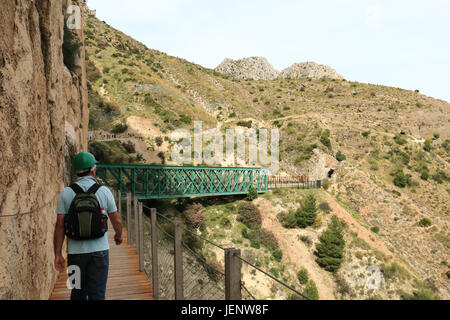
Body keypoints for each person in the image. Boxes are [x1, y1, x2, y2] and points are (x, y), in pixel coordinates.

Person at [53, 152, 123, 300]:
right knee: (97, 295)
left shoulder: (66, 193)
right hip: (100, 254)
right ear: (93, 169)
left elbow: (59, 225)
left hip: (74, 255)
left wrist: (58, 253)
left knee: (76, 292)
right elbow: (117, 220)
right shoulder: (104, 191)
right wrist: (118, 235)